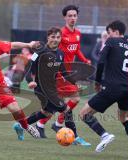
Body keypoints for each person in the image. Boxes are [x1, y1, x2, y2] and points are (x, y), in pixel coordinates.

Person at [13, 27, 91, 148]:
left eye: (58, 37)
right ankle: (76, 137)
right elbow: (29, 69)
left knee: (46, 113)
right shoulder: (39, 51)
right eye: (53, 37)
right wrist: (31, 81)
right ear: (48, 37)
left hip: (51, 88)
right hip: (41, 88)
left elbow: (63, 72)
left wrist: (75, 82)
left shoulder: (60, 53)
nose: (55, 39)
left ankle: (21, 124)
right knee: (66, 110)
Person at [79, 20, 128, 159]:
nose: (108, 35)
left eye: (109, 33)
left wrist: (97, 82)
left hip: (111, 87)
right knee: (124, 118)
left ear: (114, 31)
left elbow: (101, 61)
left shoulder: (111, 41)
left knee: (84, 114)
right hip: (127, 88)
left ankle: (105, 135)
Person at [36, 5, 91, 145]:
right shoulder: (61, 33)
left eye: (74, 15)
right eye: (70, 16)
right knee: (74, 98)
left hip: (67, 72)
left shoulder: (78, 33)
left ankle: (40, 125)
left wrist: (85, 60)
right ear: (65, 17)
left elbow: (77, 49)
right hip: (59, 72)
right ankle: (59, 125)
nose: (72, 18)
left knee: (55, 104)